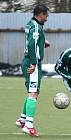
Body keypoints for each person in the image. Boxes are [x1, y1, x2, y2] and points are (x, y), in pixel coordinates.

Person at [15, 4, 49, 137]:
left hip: (29, 61)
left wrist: (42, 43)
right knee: (33, 93)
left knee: (33, 92)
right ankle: (28, 126)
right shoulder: (35, 26)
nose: (46, 18)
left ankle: (22, 119)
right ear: (40, 14)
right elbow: (31, 44)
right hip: (31, 63)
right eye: (46, 15)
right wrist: (34, 64)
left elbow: (33, 41)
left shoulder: (31, 24)